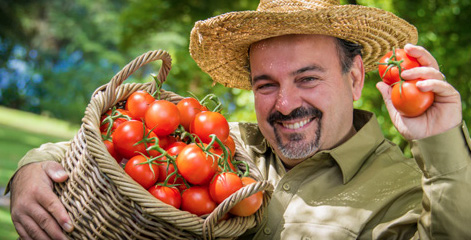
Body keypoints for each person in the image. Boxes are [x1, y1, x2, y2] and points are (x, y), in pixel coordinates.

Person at [7, 0, 471, 239]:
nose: (285, 104)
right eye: (266, 84)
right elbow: (112, 151)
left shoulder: (405, 191)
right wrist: (31, 169)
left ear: (354, 79)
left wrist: (441, 141)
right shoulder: (229, 147)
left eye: (307, 78)